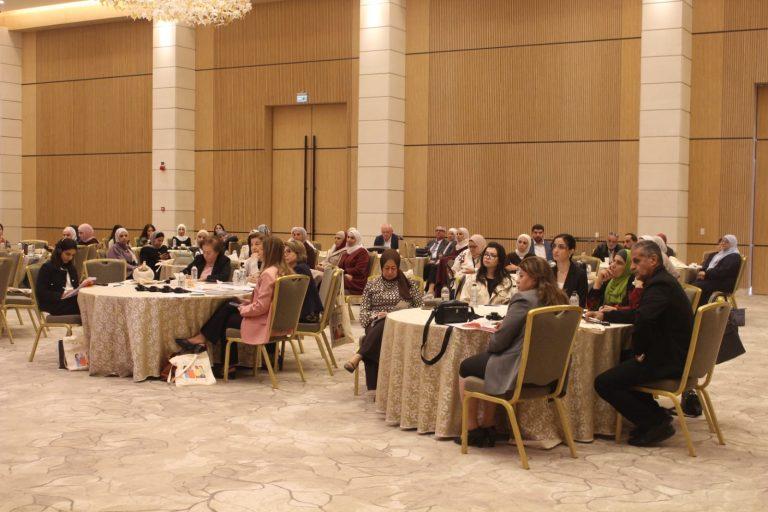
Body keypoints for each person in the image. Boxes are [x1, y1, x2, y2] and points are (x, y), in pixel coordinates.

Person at [456, 256, 568, 447]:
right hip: (550, 373)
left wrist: (497, 335)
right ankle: (489, 425)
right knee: (492, 361)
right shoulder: (560, 299)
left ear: (534, 278)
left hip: (519, 371)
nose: (517, 280)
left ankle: (472, 430)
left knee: (467, 366)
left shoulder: (523, 299)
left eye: (521, 275)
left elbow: (499, 343)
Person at [594, 240, 694, 446]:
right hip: (673, 352)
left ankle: (654, 422)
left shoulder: (659, 285)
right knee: (619, 359)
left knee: (604, 382)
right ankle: (656, 416)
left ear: (653, 260)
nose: (632, 267)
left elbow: (644, 321)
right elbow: (641, 314)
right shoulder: (662, 281)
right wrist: (608, 315)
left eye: (637, 261)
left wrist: (639, 352)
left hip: (669, 359)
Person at [176, 236, 290, 379]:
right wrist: (244, 302)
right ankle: (219, 357)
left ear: (269, 252)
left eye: (261, 249)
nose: (257, 251)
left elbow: (261, 307)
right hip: (277, 321)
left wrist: (243, 309)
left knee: (226, 317)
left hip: (263, 321)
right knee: (230, 303)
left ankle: (221, 358)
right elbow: (269, 302)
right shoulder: (283, 271)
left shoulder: (268, 274)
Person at [343, 250, 423, 390]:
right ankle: (377, 384)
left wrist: (393, 315)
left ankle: (360, 357)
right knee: (382, 325)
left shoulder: (409, 284)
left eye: (393, 268)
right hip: (374, 323)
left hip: (400, 325)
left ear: (398, 267)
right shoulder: (372, 284)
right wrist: (376, 316)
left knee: (386, 322)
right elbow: (363, 314)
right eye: (386, 268)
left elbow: (420, 309)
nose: (390, 272)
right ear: (381, 267)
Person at [35, 238, 95, 316]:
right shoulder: (47, 267)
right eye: (67, 254)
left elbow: (75, 287)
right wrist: (61, 295)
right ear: (59, 251)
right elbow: (41, 292)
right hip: (53, 303)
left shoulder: (71, 268)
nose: (70, 258)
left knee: (90, 303)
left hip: (70, 300)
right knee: (86, 306)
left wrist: (83, 285)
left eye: (72, 255)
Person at [692, 235, 742, 304]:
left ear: (732, 244)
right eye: (722, 241)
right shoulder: (720, 254)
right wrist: (702, 271)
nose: (723, 243)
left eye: (726, 242)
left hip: (723, 283)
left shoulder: (734, 256)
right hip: (714, 279)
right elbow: (706, 266)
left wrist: (706, 274)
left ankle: (700, 307)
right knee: (692, 283)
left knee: (697, 286)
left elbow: (722, 272)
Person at [284, 240, 323, 323]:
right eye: (284, 252)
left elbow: (290, 293)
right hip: (307, 311)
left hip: (307, 315)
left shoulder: (300, 269)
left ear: (298, 253)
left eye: (289, 251)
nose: (285, 254)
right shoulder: (299, 266)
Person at [551, 233, 588, 307]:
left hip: (571, 312)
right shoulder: (548, 272)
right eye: (554, 246)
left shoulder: (579, 274)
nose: (555, 250)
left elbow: (582, 303)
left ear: (571, 251)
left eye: (561, 247)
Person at [338, 228, 370, 294]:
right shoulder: (346, 251)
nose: (349, 239)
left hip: (356, 280)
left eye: (352, 238)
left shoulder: (362, 252)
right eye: (348, 237)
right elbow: (340, 266)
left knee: (334, 281)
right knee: (329, 278)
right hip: (346, 277)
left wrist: (344, 273)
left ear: (357, 239)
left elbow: (359, 270)